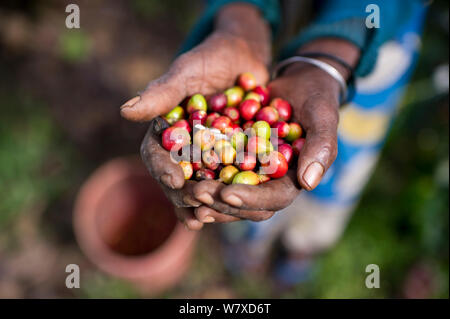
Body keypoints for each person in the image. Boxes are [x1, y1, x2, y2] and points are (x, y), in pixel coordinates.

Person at [120, 0, 427, 285]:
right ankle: (249, 245)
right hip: (273, 35)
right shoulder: (234, 139)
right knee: (242, 199)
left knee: (336, 165)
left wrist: (329, 59)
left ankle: (304, 244)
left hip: (371, 39)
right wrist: (239, 17)